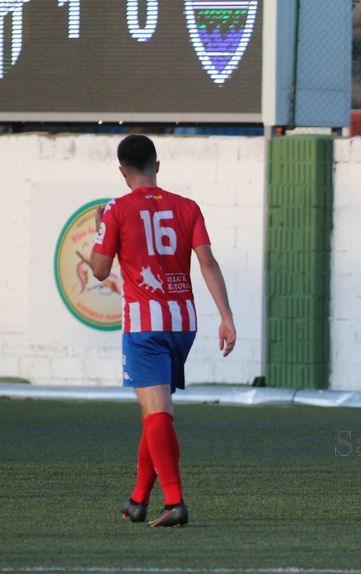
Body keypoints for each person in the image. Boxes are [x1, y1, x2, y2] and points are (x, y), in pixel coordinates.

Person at [90, 134, 235, 528]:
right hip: (183, 323)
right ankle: (138, 500)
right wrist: (226, 316)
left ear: (122, 172)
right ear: (157, 164)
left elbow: (100, 270)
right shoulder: (187, 207)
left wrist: (99, 229)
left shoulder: (117, 209)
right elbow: (208, 263)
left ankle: (174, 502)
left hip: (144, 326)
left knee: (157, 414)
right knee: (155, 413)